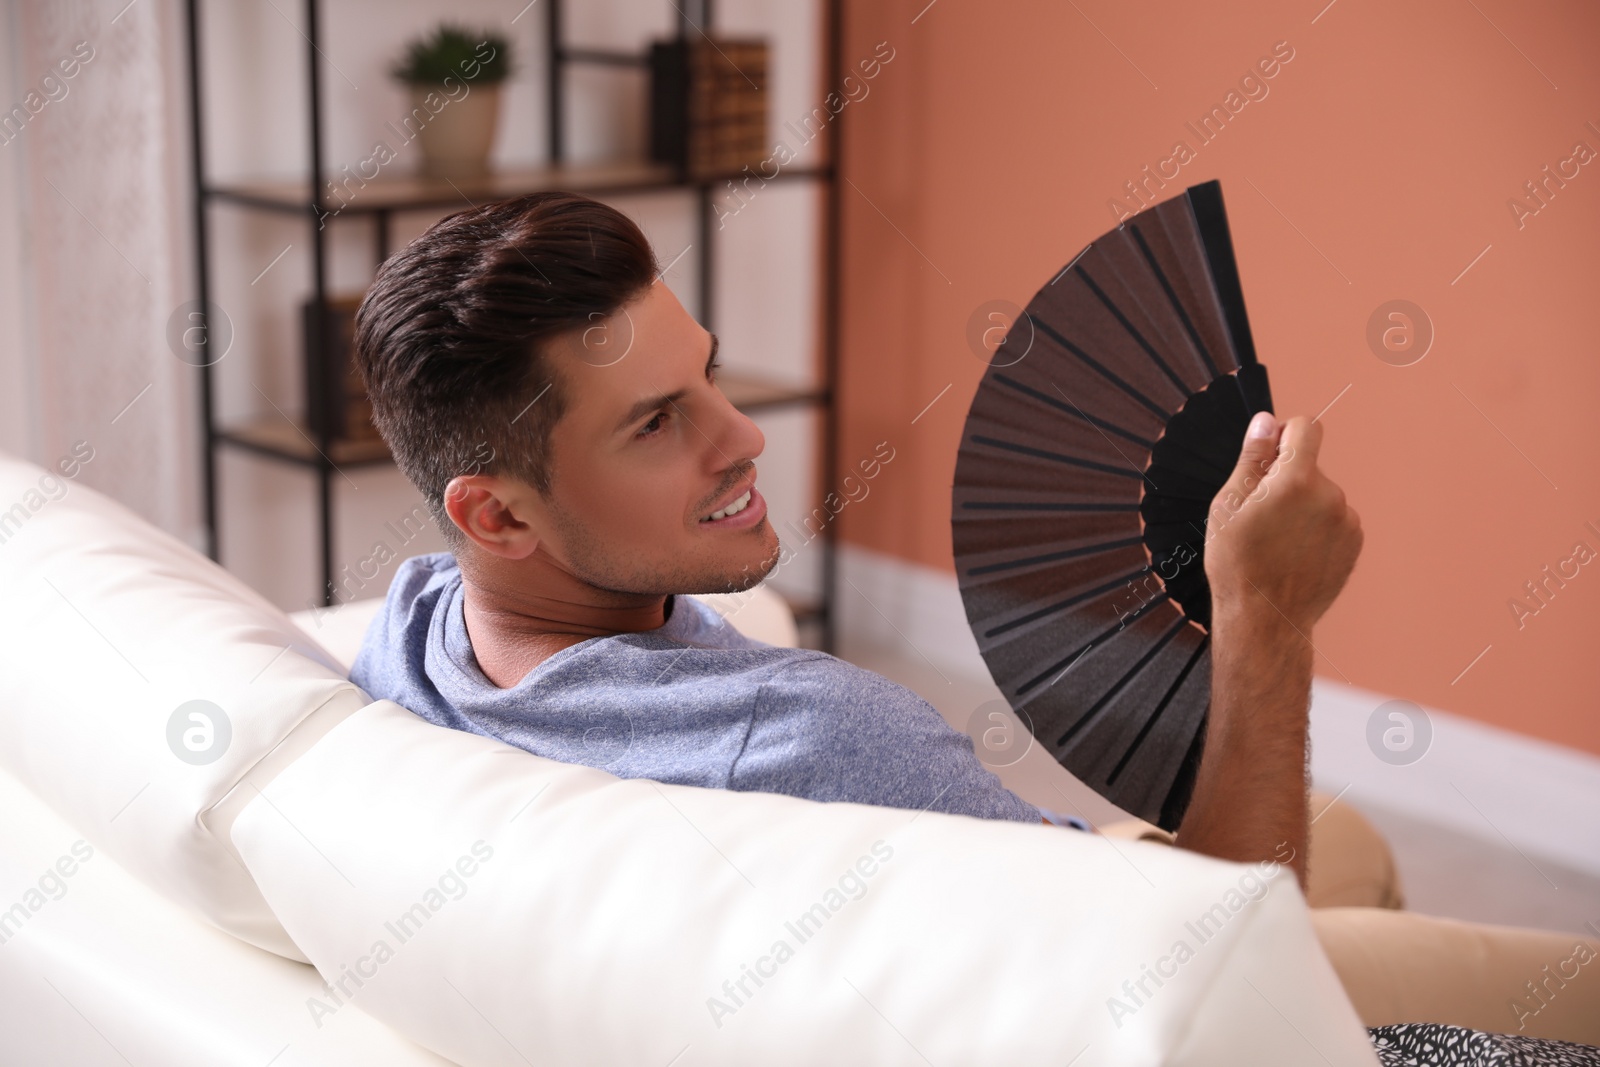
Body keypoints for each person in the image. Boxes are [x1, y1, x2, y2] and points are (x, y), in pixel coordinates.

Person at [349, 191, 1599, 1050]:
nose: (742, 436)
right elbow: (1201, 967)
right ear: (496, 514)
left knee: (1348, 832)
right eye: (655, 422)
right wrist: (1266, 619)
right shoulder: (804, 740)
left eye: (707, 376)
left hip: (1022, 886)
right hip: (1095, 978)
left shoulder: (410, 637)